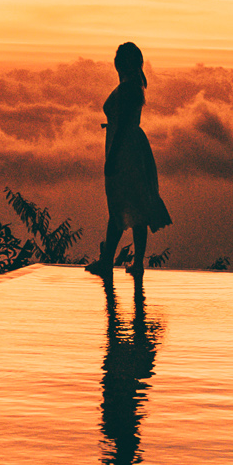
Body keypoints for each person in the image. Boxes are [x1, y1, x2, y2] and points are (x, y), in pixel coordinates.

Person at [87, 42, 172, 284]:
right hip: (133, 147)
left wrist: (112, 157)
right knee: (136, 202)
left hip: (124, 150)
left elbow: (123, 124)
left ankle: (107, 262)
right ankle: (136, 263)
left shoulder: (127, 89)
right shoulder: (134, 86)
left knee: (120, 204)